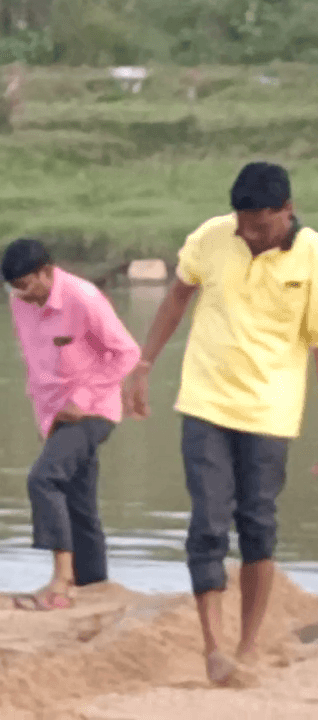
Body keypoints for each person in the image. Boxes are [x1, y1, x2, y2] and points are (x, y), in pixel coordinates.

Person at [122, 161, 318, 685]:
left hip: (272, 413)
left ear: (286, 211)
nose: (246, 233)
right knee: (207, 521)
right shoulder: (212, 237)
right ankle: (214, 649)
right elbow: (177, 298)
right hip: (205, 404)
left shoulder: (313, 256)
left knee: (258, 522)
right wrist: (143, 365)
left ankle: (248, 644)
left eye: (257, 224)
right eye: (240, 223)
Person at [2, 238, 141, 611]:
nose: (22, 294)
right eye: (15, 287)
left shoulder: (83, 297)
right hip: (55, 415)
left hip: (92, 410)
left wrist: (85, 396)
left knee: (44, 479)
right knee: (80, 503)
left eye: (27, 284)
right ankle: (95, 588)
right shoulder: (20, 304)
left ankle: (62, 581)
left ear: (46, 272)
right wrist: (46, 416)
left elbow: (127, 352)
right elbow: (38, 362)